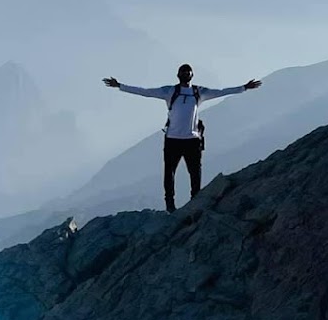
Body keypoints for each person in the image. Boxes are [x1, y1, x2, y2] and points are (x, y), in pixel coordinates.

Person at [102, 65, 262, 212]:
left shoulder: (199, 92)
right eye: (183, 72)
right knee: (170, 173)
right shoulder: (170, 91)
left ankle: (195, 201)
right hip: (174, 140)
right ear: (178, 75)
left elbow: (222, 91)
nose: (185, 74)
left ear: (191, 75)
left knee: (194, 172)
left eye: (188, 72)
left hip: (190, 140)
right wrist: (120, 86)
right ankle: (170, 204)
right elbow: (145, 91)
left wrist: (244, 88)